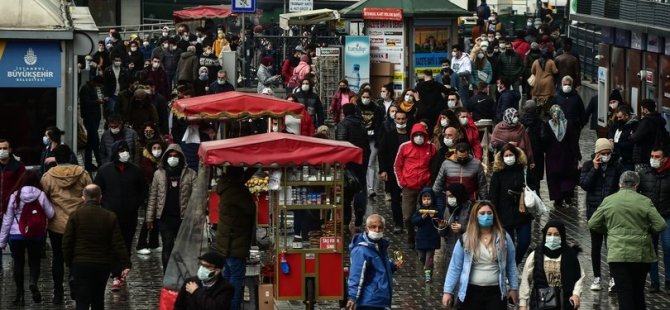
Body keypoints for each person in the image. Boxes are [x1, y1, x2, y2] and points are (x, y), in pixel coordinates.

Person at [588, 171, 667, 310]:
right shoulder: (644, 201)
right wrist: (647, 231)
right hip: (640, 255)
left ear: (620, 184)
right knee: (638, 294)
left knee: (624, 295)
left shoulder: (609, 200)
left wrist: (609, 231)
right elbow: (660, 225)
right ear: (636, 185)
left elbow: (593, 223)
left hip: (618, 255)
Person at [62, 184, 131, 310]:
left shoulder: (75, 215)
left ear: (84, 197)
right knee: (98, 299)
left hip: (80, 263)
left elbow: (67, 242)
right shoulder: (110, 216)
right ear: (100, 197)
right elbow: (118, 242)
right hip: (101, 263)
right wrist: (125, 263)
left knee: (82, 300)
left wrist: (69, 261)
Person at [441, 201, 519, 309]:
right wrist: (448, 291)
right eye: (482, 213)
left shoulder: (504, 238)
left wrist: (513, 288)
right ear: (475, 217)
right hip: (470, 293)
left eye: (489, 213)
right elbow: (455, 266)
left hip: (495, 293)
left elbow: (511, 264)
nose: (486, 216)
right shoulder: (465, 239)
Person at [94, 140, 147, 291]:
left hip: (129, 216)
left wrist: (135, 203)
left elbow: (143, 190)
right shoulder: (105, 170)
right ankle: (116, 274)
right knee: (112, 244)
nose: (124, 153)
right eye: (121, 150)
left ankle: (123, 270)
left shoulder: (135, 171)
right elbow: (97, 189)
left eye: (126, 150)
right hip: (110, 216)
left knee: (126, 243)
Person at [0, 171, 55, 305]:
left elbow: (7, 220)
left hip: (16, 235)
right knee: (34, 261)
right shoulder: (40, 194)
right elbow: (51, 213)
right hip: (35, 235)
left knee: (18, 264)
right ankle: (32, 282)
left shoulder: (15, 195)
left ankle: (20, 295)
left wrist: (1, 241)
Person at [579, 138, 624, 292]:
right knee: (596, 246)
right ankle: (597, 277)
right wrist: (595, 169)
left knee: (611, 246)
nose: (605, 155)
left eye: (608, 153)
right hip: (595, 212)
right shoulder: (587, 165)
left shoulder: (616, 166)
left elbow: (622, 187)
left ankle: (613, 277)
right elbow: (585, 185)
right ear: (597, 153)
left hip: (612, 213)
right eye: (602, 153)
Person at [146, 144, 196, 271]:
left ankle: (181, 274)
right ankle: (167, 275)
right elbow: (153, 196)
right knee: (167, 245)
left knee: (182, 248)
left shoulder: (191, 174)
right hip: (165, 217)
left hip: (183, 218)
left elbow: (196, 197)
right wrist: (149, 218)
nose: (173, 158)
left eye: (175, 156)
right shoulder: (159, 174)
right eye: (170, 156)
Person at [518, 220, 585, 310]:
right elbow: (525, 279)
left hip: (564, 303)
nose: (552, 237)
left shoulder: (570, 255)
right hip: (541, 302)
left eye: (556, 234)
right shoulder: (536, 255)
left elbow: (579, 276)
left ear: (562, 235)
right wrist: (523, 304)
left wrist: (576, 294)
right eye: (549, 234)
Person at [489, 143, 537, 265]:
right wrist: (494, 214)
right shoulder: (498, 173)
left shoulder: (524, 170)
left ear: (516, 156)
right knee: (508, 245)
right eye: (506, 155)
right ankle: (510, 268)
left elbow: (534, 185)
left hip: (523, 211)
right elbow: (493, 195)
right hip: (504, 213)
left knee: (524, 241)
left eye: (511, 155)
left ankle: (514, 263)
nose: (509, 157)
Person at [215, 167, 255, 310]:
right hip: (234, 243)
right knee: (236, 278)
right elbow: (250, 209)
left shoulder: (227, 187)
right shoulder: (237, 191)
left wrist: (253, 169)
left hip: (227, 243)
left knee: (228, 275)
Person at [394, 123, 436, 248]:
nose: (419, 137)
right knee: (407, 216)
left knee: (428, 214)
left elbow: (435, 166)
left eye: (421, 135)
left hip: (425, 186)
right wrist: (402, 182)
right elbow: (397, 165)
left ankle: (424, 238)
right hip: (409, 186)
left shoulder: (431, 148)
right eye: (416, 135)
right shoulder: (404, 147)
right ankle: (410, 236)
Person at [347, 214, 401, 310]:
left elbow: (378, 266)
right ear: (367, 228)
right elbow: (356, 275)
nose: (377, 230)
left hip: (379, 300)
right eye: (373, 227)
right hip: (369, 301)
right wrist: (353, 297)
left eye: (380, 227)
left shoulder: (379, 245)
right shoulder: (361, 250)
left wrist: (392, 266)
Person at [639, 147, 670, 293]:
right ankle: (654, 281)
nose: (653, 159)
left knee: (668, 247)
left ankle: (669, 280)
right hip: (650, 217)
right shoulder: (644, 173)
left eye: (657, 156)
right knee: (651, 250)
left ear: (664, 159)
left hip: (667, 216)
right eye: (652, 156)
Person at [336, 104, 371, 231]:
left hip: (348, 164)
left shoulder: (343, 125)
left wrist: (341, 163)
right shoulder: (362, 125)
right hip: (361, 163)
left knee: (346, 193)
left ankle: (346, 221)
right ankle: (359, 220)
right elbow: (367, 147)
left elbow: (341, 145)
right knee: (360, 191)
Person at [543, 105, 580, 207]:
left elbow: (545, 141)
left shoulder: (547, 125)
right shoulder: (568, 124)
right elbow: (573, 141)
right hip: (566, 155)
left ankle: (557, 198)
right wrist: (576, 154)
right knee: (567, 175)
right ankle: (566, 194)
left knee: (554, 177)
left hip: (552, 157)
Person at [378, 109, 409, 233]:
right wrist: (383, 170)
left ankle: (408, 222)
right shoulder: (389, 135)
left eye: (403, 119)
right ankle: (398, 223)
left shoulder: (411, 135)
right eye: (398, 119)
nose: (401, 121)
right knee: (395, 199)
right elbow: (382, 153)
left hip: (409, 172)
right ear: (395, 120)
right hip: (393, 172)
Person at [136, 139, 165, 255]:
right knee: (149, 219)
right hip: (150, 194)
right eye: (154, 148)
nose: (157, 151)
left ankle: (153, 243)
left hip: (159, 194)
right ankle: (141, 244)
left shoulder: (160, 161)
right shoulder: (146, 162)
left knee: (156, 219)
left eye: (159, 148)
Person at [629, 99, 668, 171]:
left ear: (645, 110)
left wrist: (631, 135)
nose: (641, 111)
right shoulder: (659, 121)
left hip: (643, 156)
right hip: (656, 156)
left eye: (641, 109)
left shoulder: (646, 121)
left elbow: (636, 137)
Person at [411, 188, 440, 282]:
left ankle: (428, 273)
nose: (426, 201)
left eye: (428, 199)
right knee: (421, 257)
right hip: (421, 238)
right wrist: (421, 218)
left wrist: (434, 217)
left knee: (429, 258)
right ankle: (427, 267)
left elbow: (440, 221)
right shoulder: (419, 210)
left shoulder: (436, 210)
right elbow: (414, 221)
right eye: (424, 199)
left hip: (432, 238)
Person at [608, 105, 637, 171]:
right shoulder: (618, 122)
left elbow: (630, 144)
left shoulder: (634, 126)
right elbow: (611, 131)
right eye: (617, 117)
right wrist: (611, 138)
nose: (618, 119)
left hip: (627, 159)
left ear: (627, 116)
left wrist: (615, 144)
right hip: (615, 157)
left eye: (620, 117)